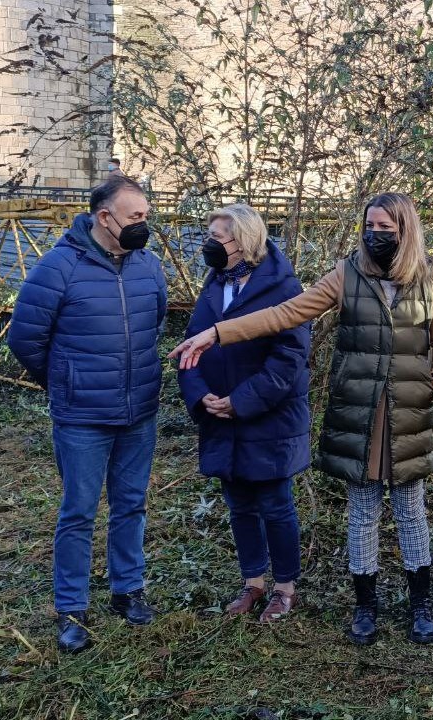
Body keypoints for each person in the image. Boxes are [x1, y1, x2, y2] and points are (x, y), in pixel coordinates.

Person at [170, 193, 433, 646]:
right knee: (362, 513)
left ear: (405, 230)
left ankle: (420, 604)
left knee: (411, 512)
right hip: (357, 416)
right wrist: (216, 334)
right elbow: (286, 314)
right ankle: (366, 606)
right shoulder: (347, 274)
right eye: (370, 225)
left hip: (409, 415)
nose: (374, 234)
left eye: (385, 227)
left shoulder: (429, 279)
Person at [7, 176, 167, 652]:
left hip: (139, 410)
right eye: (135, 217)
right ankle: (72, 608)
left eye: (145, 215)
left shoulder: (149, 267)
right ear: (104, 218)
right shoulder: (58, 268)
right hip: (82, 418)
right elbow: (25, 339)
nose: (144, 224)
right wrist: (65, 382)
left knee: (131, 503)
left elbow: (154, 322)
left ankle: (128, 590)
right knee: (78, 511)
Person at [177, 204, 311, 622]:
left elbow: (290, 359)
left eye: (219, 238)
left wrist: (242, 400)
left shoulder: (284, 289)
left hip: (268, 417)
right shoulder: (214, 284)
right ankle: (253, 583)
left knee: (275, 504)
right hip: (219, 417)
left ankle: (285, 587)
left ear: (246, 242)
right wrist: (202, 398)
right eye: (210, 235)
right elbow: (189, 348)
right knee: (239, 505)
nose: (210, 246)